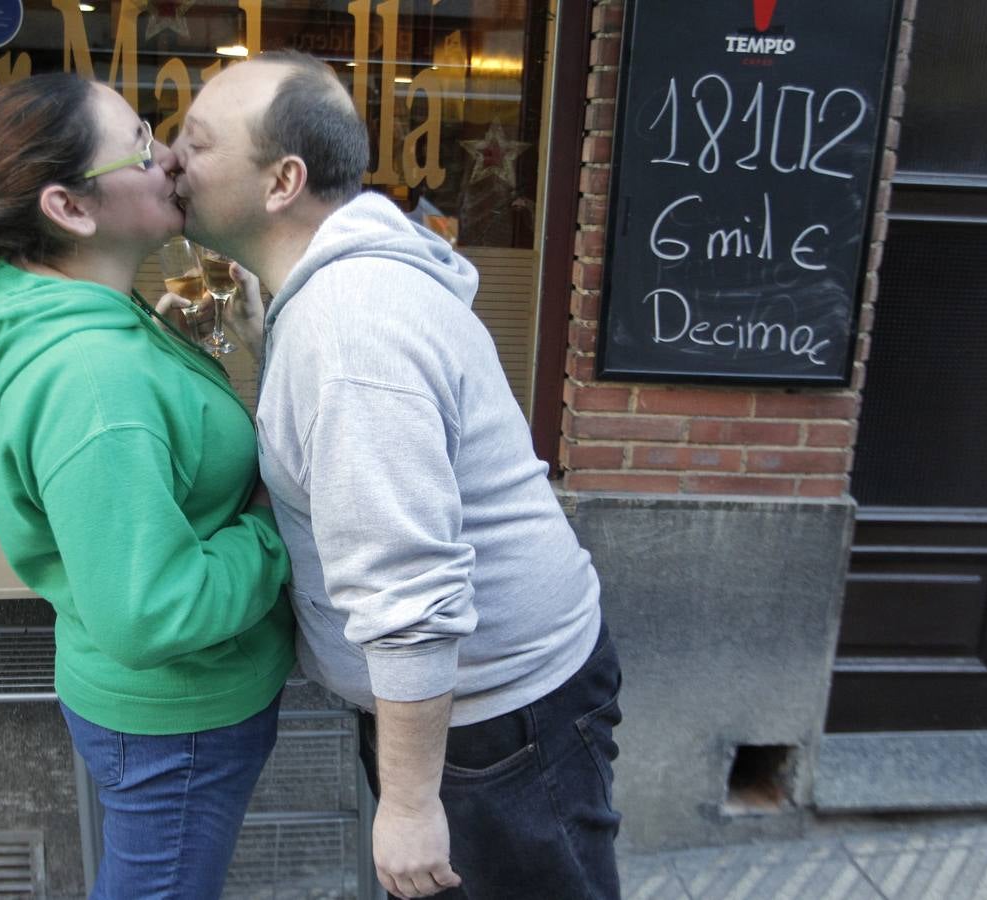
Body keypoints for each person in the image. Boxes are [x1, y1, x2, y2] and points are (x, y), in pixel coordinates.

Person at [169, 52, 623, 900]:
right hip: (478, 705)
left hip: (499, 719)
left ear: (283, 182)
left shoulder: (350, 329)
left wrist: (411, 804)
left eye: (195, 143)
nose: (169, 160)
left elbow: (408, 583)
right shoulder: (328, 299)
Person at [0, 72, 294, 899]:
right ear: (70, 209)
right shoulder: (95, 376)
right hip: (179, 718)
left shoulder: (85, 312)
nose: (171, 158)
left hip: (162, 711)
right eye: (143, 146)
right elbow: (148, 612)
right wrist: (271, 527)